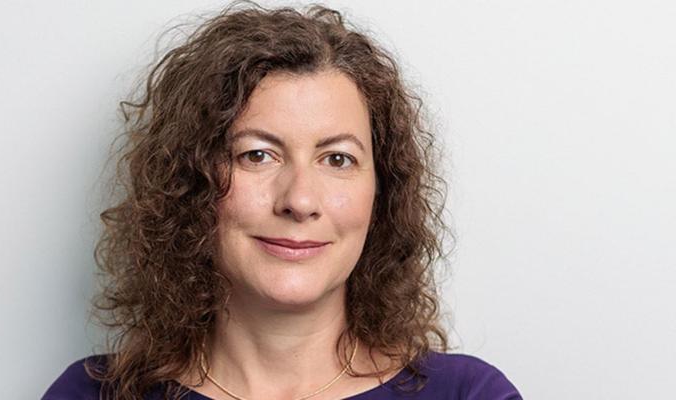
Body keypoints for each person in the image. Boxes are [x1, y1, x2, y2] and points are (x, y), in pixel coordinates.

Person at [43, 2, 522, 399]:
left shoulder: (469, 393)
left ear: (382, 192)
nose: (300, 200)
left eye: (337, 159)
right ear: (190, 182)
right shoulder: (91, 393)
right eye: (257, 155)